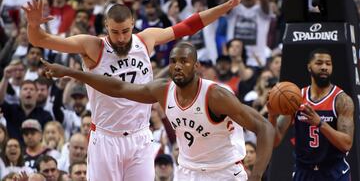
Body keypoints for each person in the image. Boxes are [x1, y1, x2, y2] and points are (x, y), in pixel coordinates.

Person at [22, 0, 256, 180]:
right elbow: (41, 40)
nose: (121, 38)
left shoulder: (146, 40)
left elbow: (188, 26)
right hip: (106, 137)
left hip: (140, 136)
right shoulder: (92, 46)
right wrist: (33, 25)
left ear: (133, 25)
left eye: (125, 31)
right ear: (106, 27)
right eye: (115, 32)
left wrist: (227, 5)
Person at [40, 42, 274, 181]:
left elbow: (264, 127)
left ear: (197, 66)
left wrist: (256, 177)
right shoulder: (163, 90)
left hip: (224, 172)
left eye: (184, 61)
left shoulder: (216, 95)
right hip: (187, 172)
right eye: (173, 61)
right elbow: (118, 87)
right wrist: (71, 73)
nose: (178, 66)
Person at [267, 49, 354, 181]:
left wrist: (320, 123)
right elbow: (275, 140)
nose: (324, 67)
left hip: (334, 171)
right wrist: (272, 116)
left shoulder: (342, 100)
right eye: (319, 63)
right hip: (304, 172)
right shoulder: (296, 98)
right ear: (309, 67)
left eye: (328, 64)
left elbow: (346, 144)